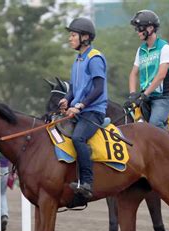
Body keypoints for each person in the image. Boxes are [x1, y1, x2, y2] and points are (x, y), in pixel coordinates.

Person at [58, 17, 108, 199]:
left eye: (73, 35)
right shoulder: (78, 60)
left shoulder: (94, 58)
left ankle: (87, 183)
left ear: (85, 37)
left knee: (78, 138)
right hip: (78, 111)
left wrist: (80, 105)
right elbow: (73, 88)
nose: (70, 39)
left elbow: (99, 88)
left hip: (94, 112)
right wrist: (66, 99)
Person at [128, 10, 169, 130]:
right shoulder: (141, 50)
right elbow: (133, 74)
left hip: (162, 98)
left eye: (139, 29)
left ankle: (168, 148)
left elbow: (161, 76)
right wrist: (133, 94)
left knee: (155, 125)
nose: (137, 32)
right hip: (144, 97)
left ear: (150, 28)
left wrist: (145, 94)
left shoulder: (164, 47)